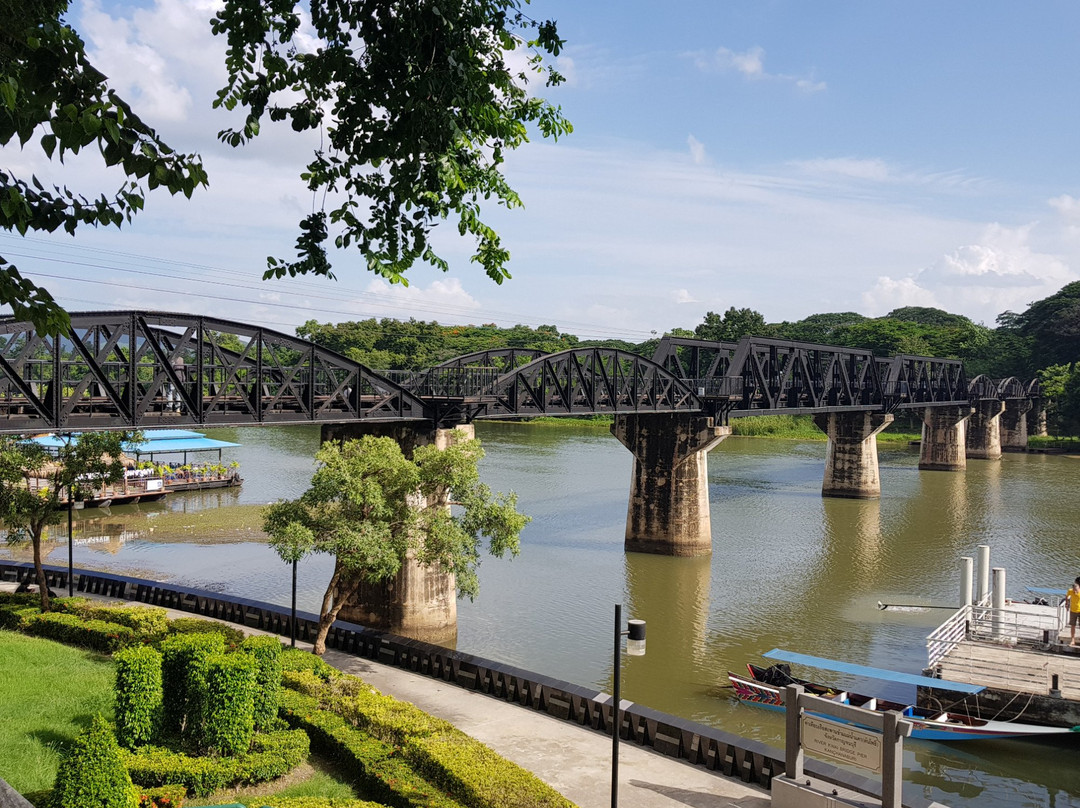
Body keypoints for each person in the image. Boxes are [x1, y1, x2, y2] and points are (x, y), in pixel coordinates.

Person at [1067, 577, 1080, 647]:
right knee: (1072, 625)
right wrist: (1067, 604)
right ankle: (1073, 640)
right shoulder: (1070, 591)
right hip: (1073, 610)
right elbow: (1067, 597)